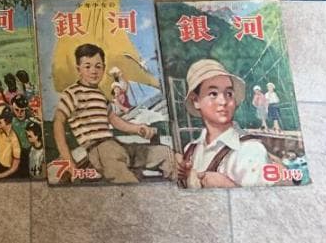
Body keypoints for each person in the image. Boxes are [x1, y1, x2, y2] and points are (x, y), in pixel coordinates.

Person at [53, 44, 173, 184]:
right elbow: (58, 123)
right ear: (78, 69)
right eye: (87, 66)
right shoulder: (72, 93)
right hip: (100, 150)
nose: (94, 71)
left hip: (117, 146)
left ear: (104, 68)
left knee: (165, 154)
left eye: (98, 66)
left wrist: (137, 128)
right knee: (130, 184)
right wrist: (69, 162)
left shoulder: (100, 95)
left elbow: (114, 120)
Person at [176, 59, 271, 188]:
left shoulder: (250, 149)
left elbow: (262, 198)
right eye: (213, 94)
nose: (223, 101)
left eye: (229, 94)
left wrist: (226, 186)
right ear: (196, 101)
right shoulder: (190, 150)